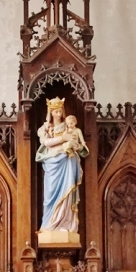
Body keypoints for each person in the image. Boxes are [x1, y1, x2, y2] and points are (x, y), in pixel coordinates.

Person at [36, 97, 89, 232]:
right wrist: (62, 138)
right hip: (52, 163)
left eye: (60, 111)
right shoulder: (46, 128)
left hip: (67, 161)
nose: (58, 114)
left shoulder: (69, 126)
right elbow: (46, 143)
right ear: (51, 112)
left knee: (68, 191)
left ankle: (65, 223)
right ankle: (49, 224)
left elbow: (78, 142)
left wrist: (76, 144)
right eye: (55, 111)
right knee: (50, 194)